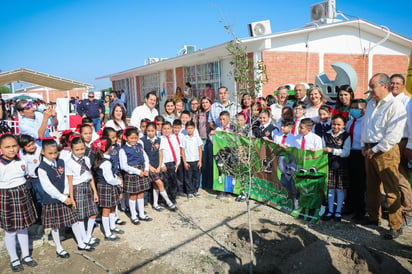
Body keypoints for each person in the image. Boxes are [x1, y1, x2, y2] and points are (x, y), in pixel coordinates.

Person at [360, 73, 406, 240]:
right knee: (371, 186)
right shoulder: (371, 103)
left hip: (386, 152)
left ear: (384, 86)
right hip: (369, 150)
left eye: (372, 86)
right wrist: (363, 145)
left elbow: (393, 134)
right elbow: (366, 126)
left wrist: (376, 148)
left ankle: (396, 226)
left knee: (391, 189)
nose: (370, 90)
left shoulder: (396, 106)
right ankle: (374, 218)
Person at [38, 139, 95, 259]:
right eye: (50, 153)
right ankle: (59, 248)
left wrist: (67, 193)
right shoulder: (42, 168)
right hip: (52, 201)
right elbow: (48, 187)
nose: (53, 156)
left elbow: (65, 179)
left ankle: (81, 242)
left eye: (55, 153)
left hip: (65, 196)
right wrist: (62, 198)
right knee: (55, 225)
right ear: (43, 152)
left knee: (73, 220)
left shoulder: (61, 162)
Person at [0, 134, 38, 272]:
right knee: (10, 230)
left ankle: (26, 255)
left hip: (22, 193)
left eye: (14, 146)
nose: (11, 149)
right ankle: (14, 258)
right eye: (7, 147)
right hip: (6, 196)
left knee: (23, 226)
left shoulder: (21, 160)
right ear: (1, 148)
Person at [66, 137, 100, 247]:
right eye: (77, 150)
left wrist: (95, 191)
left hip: (88, 187)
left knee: (93, 213)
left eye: (82, 149)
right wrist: (71, 198)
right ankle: (84, 238)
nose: (80, 152)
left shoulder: (86, 159)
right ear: (71, 149)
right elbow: (70, 182)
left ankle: (88, 235)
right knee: (80, 216)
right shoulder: (69, 163)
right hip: (77, 189)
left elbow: (90, 176)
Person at [390, 73, 412, 225]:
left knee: (401, 177)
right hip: (390, 142)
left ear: (403, 85)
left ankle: (408, 210)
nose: (394, 86)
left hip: (402, 141)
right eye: (392, 83)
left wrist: (409, 145)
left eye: (398, 83)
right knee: (392, 177)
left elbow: (410, 124)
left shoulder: (407, 101)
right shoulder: (388, 101)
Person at [141, 122, 176, 211]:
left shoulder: (159, 140)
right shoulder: (143, 140)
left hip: (157, 166)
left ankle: (155, 204)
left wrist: (160, 165)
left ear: (156, 131)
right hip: (149, 166)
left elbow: (160, 153)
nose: (150, 133)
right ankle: (169, 202)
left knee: (156, 185)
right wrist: (149, 167)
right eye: (148, 131)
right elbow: (143, 155)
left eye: (152, 131)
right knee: (160, 183)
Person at [92, 137, 123, 241]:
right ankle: (108, 233)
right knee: (106, 210)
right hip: (106, 187)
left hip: (108, 186)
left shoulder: (103, 159)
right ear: (109, 147)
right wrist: (119, 182)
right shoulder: (105, 162)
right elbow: (109, 179)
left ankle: (112, 226)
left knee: (112, 207)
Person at [322, 114, 351, 222]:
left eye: (339, 125)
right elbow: (322, 149)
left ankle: (338, 211)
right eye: (334, 124)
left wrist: (333, 150)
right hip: (329, 165)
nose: (336, 127)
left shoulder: (346, 136)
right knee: (330, 188)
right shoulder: (325, 135)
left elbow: (346, 152)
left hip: (341, 165)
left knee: (340, 189)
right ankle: (330, 210)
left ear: (344, 125)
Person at [120, 127, 152, 224]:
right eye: (131, 138)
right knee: (133, 195)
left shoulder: (139, 146)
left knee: (141, 193)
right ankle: (134, 216)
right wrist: (137, 172)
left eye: (135, 138)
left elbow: (146, 158)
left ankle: (141, 214)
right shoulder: (123, 150)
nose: (134, 140)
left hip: (142, 171)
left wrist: (146, 169)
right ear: (126, 138)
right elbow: (124, 166)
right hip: (133, 174)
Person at [345, 99, 367, 220]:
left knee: (360, 183)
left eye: (356, 108)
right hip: (350, 153)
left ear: (363, 109)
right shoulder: (350, 122)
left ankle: (360, 210)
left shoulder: (365, 122)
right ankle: (350, 206)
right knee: (350, 182)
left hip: (360, 153)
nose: (353, 110)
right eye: (352, 107)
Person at [18, 134, 44, 222]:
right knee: (34, 199)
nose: (32, 147)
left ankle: (44, 216)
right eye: (28, 146)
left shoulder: (39, 149)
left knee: (41, 197)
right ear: (23, 147)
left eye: (32, 144)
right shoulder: (22, 153)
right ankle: (38, 217)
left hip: (39, 178)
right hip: (29, 179)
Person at [159, 121, 181, 204]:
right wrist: (162, 164)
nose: (166, 130)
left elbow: (177, 150)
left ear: (171, 129)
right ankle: (165, 198)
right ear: (161, 130)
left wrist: (177, 162)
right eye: (164, 129)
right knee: (165, 181)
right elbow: (159, 153)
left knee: (173, 181)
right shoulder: (160, 139)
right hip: (165, 163)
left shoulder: (174, 138)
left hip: (173, 162)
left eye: (168, 128)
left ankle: (173, 197)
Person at [181, 121, 203, 199]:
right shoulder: (184, 138)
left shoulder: (197, 138)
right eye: (188, 128)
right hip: (188, 161)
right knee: (188, 177)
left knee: (196, 176)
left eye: (191, 128)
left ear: (194, 129)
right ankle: (189, 191)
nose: (190, 130)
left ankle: (195, 190)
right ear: (186, 129)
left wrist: (200, 161)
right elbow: (182, 151)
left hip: (196, 160)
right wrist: (184, 162)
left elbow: (200, 149)